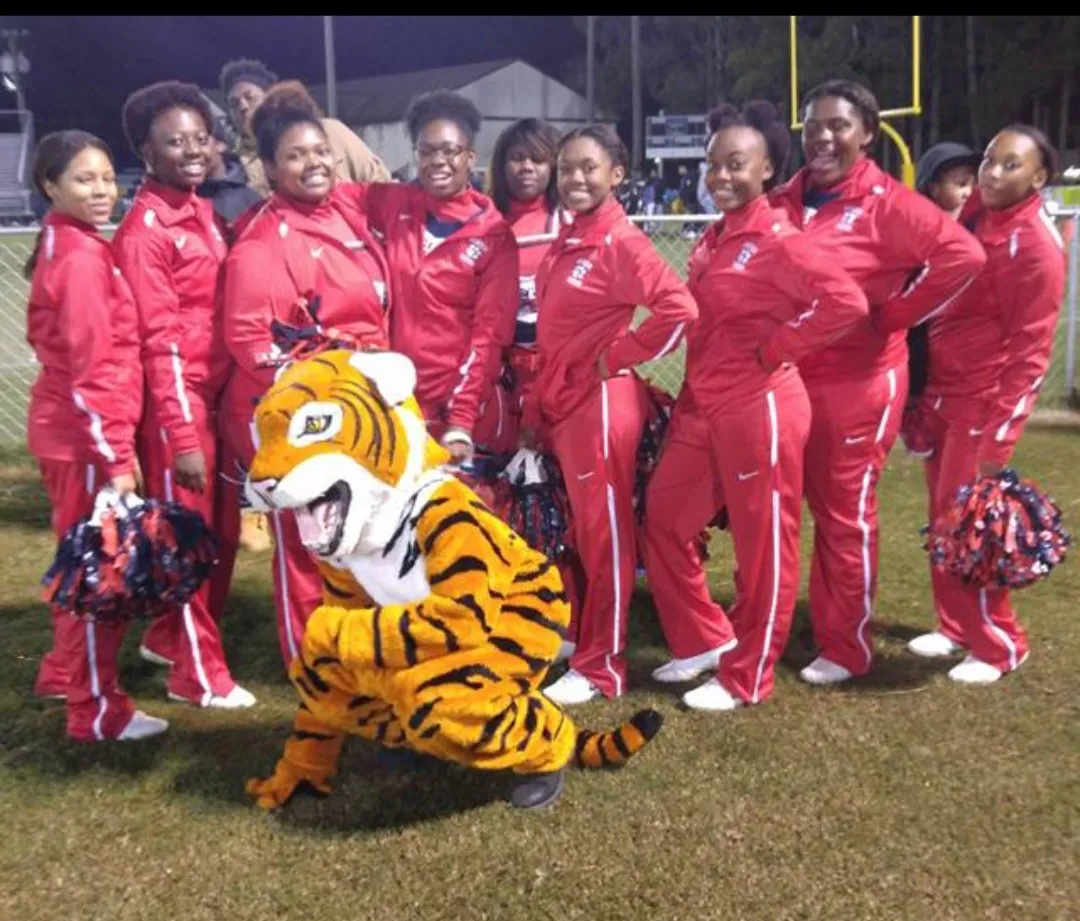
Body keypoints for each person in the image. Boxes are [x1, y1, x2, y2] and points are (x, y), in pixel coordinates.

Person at [644, 101, 870, 711]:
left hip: (761, 408)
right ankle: (703, 640)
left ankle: (748, 675)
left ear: (768, 171)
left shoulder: (778, 238)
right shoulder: (714, 239)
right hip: (704, 408)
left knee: (763, 546)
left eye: (736, 165)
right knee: (663, 521)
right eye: (713, 164)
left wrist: (778, 348)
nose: (720, 175)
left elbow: (845, 302)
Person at [769, 80, 986, 687]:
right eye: (813, 124)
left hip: (858, 381)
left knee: (843, 514)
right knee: (786, 506)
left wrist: (894, 315)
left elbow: (963, 257)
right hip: (791, 377)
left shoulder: (888, 203)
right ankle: (778, 625)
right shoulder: (785, 197)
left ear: (867, 133)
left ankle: (846, 645)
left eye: (839, 125)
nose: (823, 137)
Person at [222, 82, 391, 667]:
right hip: (307, 421)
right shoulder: (263, 243)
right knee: (307, 546)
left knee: (355, 540)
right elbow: (253, 343)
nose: (313, 163)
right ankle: (313, 670)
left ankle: (357, 654)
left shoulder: (346, 207)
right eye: (295, 156)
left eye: (319, 150)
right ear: (269, 168)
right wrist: (333, 382)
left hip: (361, 408)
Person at [534, 125, 698, 705]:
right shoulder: (571, 236)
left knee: (604, 537)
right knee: (584, 532)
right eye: (566, 169)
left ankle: (603, 666)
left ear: (616, 175)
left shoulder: (619, 242)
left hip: (600, 408)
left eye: (588, 168)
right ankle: (582, 638)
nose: (575, 179)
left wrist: (614, 359)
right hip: (568, 407)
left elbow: (679, 310)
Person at [906, 125, 1066, 683]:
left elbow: (1030, 352)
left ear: (1040, 177)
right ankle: (954, 626)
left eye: (1010, 165)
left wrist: (1002, 436)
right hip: (944, 393)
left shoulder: (1037, 247)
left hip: (981, 403)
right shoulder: (978, 210)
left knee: (970, 524)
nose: (992, 174)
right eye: (990, 162)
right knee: (942, 520)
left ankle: (1001, 644)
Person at [113, 81, 254, 709]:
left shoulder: (196, 207)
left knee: (220, 534)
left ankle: (172, 638)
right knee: (188, 543)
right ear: (147, 150)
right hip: (182, 407)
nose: (193, 149)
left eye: (200, 137)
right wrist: (181, 432)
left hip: (215, 398)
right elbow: (159, 342)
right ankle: (196, 675)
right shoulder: (146, 231)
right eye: (176, 141)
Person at [25, 130, 167, 741]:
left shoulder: (74, 242)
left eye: (108, 177)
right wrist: (115, 458)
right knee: (97, 579)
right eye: (85, 179)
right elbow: (91, 372)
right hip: (85, 444)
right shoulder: (81, 259)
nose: (103, 189)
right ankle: (96, 712)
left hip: (74, 437)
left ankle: (68, 676)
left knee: (86, 570)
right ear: (50, 187)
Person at [340, 90, 519, 462]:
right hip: (394, 400)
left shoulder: (494, 235)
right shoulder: (394, 203)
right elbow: (323, 193)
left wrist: (461, 419)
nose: (438, 161)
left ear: (470, 156)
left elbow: (489, 336)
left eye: (450, 151)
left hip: (454, 412)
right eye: (426, 151)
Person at [219, 59, 389, 196]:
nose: (243, 106)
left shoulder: (332, 131)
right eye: (234, 104)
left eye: (250, 97)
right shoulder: (237, 165)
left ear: (269, 96)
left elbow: (379, 181)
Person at [904, 142, 983, 419]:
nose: (967, 191)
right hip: (920, 336)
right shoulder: (916, 229)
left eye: (970, 183)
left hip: (957, 347)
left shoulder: (972, 224)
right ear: (934, 187)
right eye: (960, 183)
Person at [197, 116, 262, 245]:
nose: (192, 150)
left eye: (201, 141)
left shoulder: (250, 198)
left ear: (220, 145)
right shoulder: (181, 201)